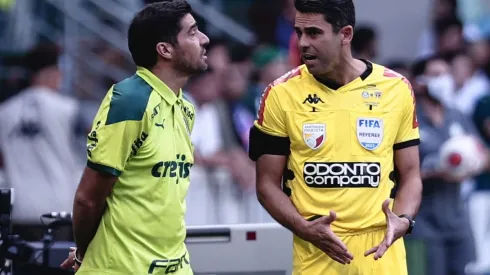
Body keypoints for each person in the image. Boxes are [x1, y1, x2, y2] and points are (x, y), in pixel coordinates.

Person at [248, 0, 422, 274]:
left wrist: (404, 219)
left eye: (314, 33)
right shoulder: (280, 94)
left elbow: (411, 173)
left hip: (381, 257)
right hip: (316, 257)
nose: (303, 43)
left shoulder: (396, 89)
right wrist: (304, 228)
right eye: (299, 32)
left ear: (346, 34)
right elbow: (266, 184)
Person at [60, 1, 209, 274]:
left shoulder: (185, 107)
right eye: (192, 32)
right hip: (122, 268)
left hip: (175, 265)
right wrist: (84, 253)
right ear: (164, 50)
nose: (204, 39)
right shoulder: (130, 100)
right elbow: (88, 198)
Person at [0, 43, 83, 241]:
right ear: (51, 72)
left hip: (19, 210)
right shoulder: (69, 109)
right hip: (60, 211)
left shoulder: (4, 111)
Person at [408, 55, 479, 275]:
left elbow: (481, 152)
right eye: (436, 75)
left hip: (457, 217)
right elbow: (397, 172)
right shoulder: (409, 118)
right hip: (425, 220)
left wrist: (473, 163)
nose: (444, 80)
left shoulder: (457, 116)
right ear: (420, 82)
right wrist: (435, 170)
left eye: (446, 74)